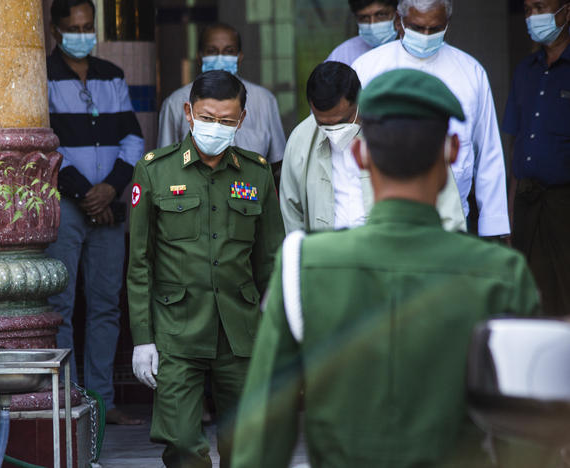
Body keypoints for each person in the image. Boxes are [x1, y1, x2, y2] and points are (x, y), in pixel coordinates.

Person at [231, 69, 541, 468]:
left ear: (361, 153)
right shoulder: (503, 274)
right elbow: (527, 436)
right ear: (450, 150)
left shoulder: (302, 270)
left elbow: (262, 440)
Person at [127, 70, 284, 468]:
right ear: (188, 113)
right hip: (177, 330)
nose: (217, 127)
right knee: (181, 444)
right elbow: (140, 263)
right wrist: (143, 339)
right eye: (208, 117)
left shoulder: (257, 172)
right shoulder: (154, 171)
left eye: (227, 121)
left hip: (242, 331)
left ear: (243, 119)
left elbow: (271, 259)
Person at [46, 0, 144, 425]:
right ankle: (66, 398)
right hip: (67, 205)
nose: (83, 34)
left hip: (108, 204)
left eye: (89, 26)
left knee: (106, 305)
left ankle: (102, 401)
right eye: (75, 27)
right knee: (60, 304)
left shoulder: (112, 74)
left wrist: (111, 189)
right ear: (56, 31)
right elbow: (46, 143)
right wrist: (88, 194)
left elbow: (133, 139)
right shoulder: (41, 76)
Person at [351, 0, 510, 239]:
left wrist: (494, 226)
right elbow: (350, 153)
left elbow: (488, 153)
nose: (425, 35)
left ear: (447, 24)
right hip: (380, 217)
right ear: (399, 21)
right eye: (417, 27)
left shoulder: (470, 71)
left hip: (452, 219)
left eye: (434, 29)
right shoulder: (367, 68)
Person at [281, 61, 466, 233]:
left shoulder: (398, 130)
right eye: (323, 124)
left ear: (359, 102)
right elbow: (292, 212)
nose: (333, 130)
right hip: (332, 259)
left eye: (342, 121)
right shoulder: (301, 139)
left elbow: (449, 211)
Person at [503, 0, 570, 316]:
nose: (533, 17)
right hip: (528, 203)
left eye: (541, 8)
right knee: (530, 298)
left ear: (566, 12)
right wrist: (510, 212)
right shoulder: (524, 71)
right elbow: (516, 145)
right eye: (528, 10)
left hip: (564, 206)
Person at [157, 23, 286, 169]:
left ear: (239, 56)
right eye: (212, 51)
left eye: (228, 51)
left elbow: (277, 163)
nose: (220, 58)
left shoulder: (264, 100)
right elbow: (165, 163)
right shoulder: (175, 102)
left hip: (248, 190)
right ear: (200, 56)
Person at [325, 0, 401, 65]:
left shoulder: (410, 47)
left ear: (398, 16)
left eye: (381, 15)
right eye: (364, 17)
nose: (372, 24)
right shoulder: (343, 54)